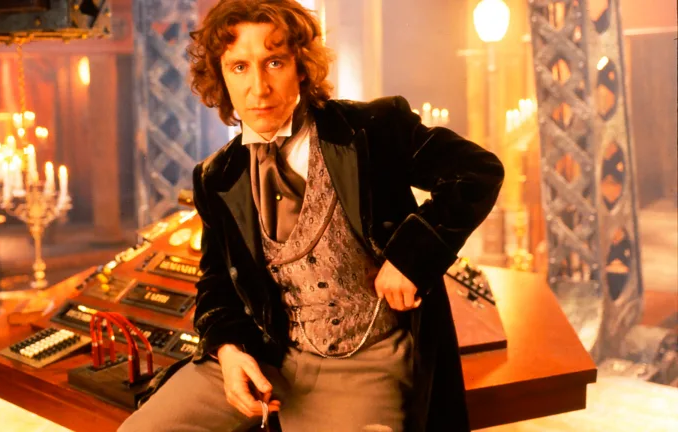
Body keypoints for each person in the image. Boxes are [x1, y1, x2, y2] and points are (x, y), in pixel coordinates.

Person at [119, 0, 503, 431]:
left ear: (301, 66)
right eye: (239, 67)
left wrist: (411, 257)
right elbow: (216, 284)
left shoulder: (372, 128)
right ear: (222, 76)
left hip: (361, 363)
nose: (259, 87)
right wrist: (227, 350)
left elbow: (477, 171)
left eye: (274, 62)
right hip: (264, 354)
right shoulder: (216, 176)